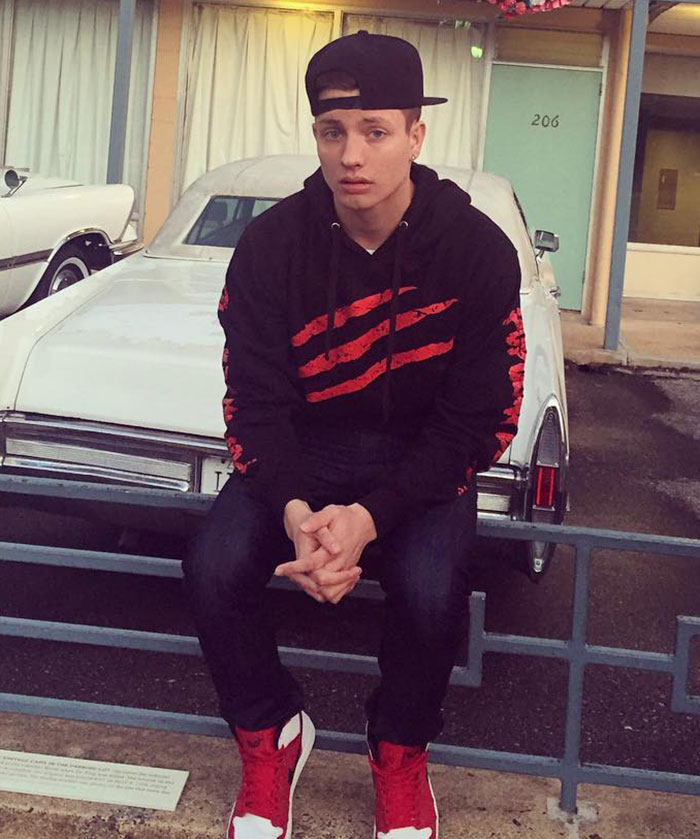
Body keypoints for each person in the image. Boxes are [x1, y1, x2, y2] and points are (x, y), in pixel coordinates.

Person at [184, 29, 526, 839]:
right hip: (304, 450)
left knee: (432, 588)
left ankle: (399, 754)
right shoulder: (270, 248)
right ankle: (272, 734)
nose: (352, 154)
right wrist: (301, 513)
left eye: (375, 130)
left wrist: (370, 519)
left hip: (423, 455)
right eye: (333, 131)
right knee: (213, 562)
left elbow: (482, 420)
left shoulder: (478, 252)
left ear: (416, 133)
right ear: (315, 137)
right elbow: (255, 403)